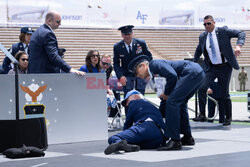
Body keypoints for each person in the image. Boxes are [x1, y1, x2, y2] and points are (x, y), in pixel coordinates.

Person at [128, 55, 205, 150]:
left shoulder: (154, 64)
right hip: (197, 73)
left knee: (172, 102)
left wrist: (167, 94)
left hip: (191, 72)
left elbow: (172, 75)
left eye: (136, 72)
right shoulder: (153, 75)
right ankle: (187, 137)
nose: (137, 76)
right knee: (180, 103)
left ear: (143, 66)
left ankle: (175, 140)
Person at [192, 15, 245, 126]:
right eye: (204, 24)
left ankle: (228, 117)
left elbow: (241, 33)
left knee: (224, 93)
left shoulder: (223, 31)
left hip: (225, 67)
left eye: (208, 23)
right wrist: (193, 63)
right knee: (201, 88)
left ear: (214, 23)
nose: (206, 26)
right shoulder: (202, 37)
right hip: (211, 67)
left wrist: (238, 46)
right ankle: (202, 114)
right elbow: (198, 51)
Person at [104, 90, 167, 155]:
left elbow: (128, 124)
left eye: (127, 101)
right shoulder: (154, 107)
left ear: (135, 97)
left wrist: (124, 135)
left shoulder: (134, 102)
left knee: (113, 138)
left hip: (145, 127)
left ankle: (121, 143)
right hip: (159, 138)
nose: (127, 105)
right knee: (134, 142)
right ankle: (126, 145)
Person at [28, 10, 85, 76]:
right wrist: (69, 69)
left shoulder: (38, 32)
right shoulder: (48, 33)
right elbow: (53, 56)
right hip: (46, 75)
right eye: (58, 21)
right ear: (49, 21)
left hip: (34, 73)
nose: (60, 24)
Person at [113, 25, 152, 97]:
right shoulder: (117, 46)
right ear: (122, 35)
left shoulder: (141, 43)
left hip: (141, 74)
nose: (127, 36)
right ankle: (128, 108)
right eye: (125, 34)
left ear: (132, 33)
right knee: (128, 96)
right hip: (127, 75)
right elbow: (116, 63)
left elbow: (149, 58)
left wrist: (148, 73)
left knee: (140, 96)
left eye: (129, 34)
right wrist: (120, 76)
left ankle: (140, 108)